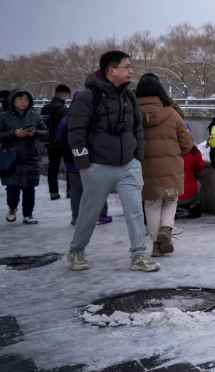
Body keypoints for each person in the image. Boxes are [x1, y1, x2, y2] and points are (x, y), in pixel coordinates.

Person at [66, 50, 159, 272]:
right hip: (97, 166)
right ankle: (76, 251)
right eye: (127, 66)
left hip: (128, 165)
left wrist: (138, 157)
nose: (131, 71)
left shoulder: (129, 97)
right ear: (111, 70)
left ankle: (138, 255)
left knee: (135, 210)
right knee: (90, 212)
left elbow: (137, 128)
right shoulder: (88, 97)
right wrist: (83, 164)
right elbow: (75, 132)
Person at [136, 73, 194, 257]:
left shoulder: (132, 113)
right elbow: (187, 141)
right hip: (170, 165)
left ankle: (155, 244)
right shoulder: (171, 112)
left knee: (152, 204)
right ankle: (166, 230)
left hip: (144, 167)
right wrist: (176, 155)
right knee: (170, 199)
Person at [56, 94, 110, 226]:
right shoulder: (96, 118)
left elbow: (58, 138)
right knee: (98, 187)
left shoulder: (65, 119)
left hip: (72, 159)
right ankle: (101, 215)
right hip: (93, 159)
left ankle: (76, 216)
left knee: (76, 189)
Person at [1, 88, 48, 224]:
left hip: (30, 156)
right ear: (13, 101)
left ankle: (28, 214)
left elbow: (45, 132)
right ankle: (12, 208)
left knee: (29, 188)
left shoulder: (35, 115)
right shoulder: (3, 117)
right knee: (12, 189)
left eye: (26, 100)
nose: (23, 102)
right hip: (11, 158)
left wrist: (35, 133)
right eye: (20, 99)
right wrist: (13, 133)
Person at [41, 84, 71, 200]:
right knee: (69, 165)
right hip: (62, 141)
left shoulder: (45, 108)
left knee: (52, 167)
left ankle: (53, 192)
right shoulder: (62, 109)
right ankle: (70, 190)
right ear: (65, 95)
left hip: (49, 141)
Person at [177, 142, 205, 219]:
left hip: (172, 195)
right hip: (190, 196)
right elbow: (200, 167)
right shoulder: (193, 154)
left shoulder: (172, 153)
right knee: (198, 183)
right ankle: (194, 207)